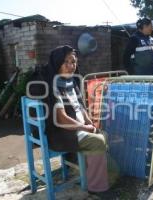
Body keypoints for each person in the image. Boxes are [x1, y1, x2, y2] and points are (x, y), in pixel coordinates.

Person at [44, 45, 109, 192]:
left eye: (73, 62)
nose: (71, 66)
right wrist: (84, 127)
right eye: (66, 62)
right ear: (57, 64)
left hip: (77, 128)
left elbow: (80, 107)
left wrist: (89, 123)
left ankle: (91, 174)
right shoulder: (53, 86)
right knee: (97, 141)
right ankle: (96, 187)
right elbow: (61, 119)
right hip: (63, 132)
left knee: (103, 134)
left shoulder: (71, 82)